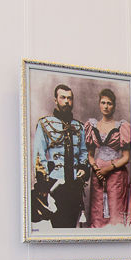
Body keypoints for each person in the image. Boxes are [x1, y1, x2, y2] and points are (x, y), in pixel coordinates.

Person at [34, 84, 89, 228]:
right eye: (63, 98)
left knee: (71, 226)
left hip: (75, 186)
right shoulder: (45, 124)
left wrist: (83, 168)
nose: (66, 102)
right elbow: (39, 155)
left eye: (69, 98)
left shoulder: (79, 127)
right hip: (55, 185)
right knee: (58, 227)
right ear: (55, 100)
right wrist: (43, 185)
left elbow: (84, 152)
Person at [85, 88, 131, 228]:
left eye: (109, 103)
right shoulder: (92, 126)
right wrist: (96, 169)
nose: (106, 106)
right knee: (98, 212)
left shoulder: (122, 127)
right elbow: (90, 155)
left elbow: (126, 158)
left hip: (116, 174)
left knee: (115, 211)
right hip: (98, 174)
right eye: (103, 103)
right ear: (99, 104)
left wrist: (108, 169)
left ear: (114, 106)